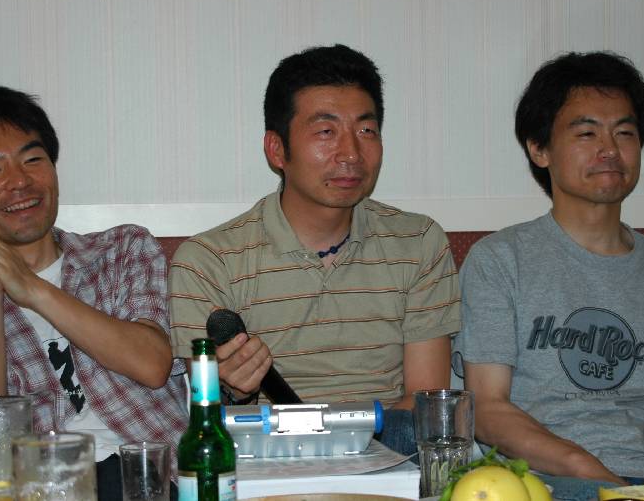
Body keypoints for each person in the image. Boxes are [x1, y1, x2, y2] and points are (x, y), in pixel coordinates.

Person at [168, 44, 461, 455]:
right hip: (266, 460)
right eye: (326, 132)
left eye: (366, 131)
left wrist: (351, 456)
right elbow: (211, 421)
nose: (351, 154)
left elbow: (425, 406)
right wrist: (234, 390)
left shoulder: (417, 242)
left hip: (389, 458)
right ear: (277, 149)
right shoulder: (208, 262)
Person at [0, 86, 187, 500]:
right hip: (35, 489)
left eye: (33, 160)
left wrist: (33, 290)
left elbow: (152, 364)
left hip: (151, 479)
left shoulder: (121, 251)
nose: (20, 181)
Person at [454, 52, 644, 495]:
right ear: (539, 149)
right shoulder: (500, 260)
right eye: (587, 133)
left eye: (624, 132)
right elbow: (487, 410)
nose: (610, 149)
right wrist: (600, 479)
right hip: (545, 481)